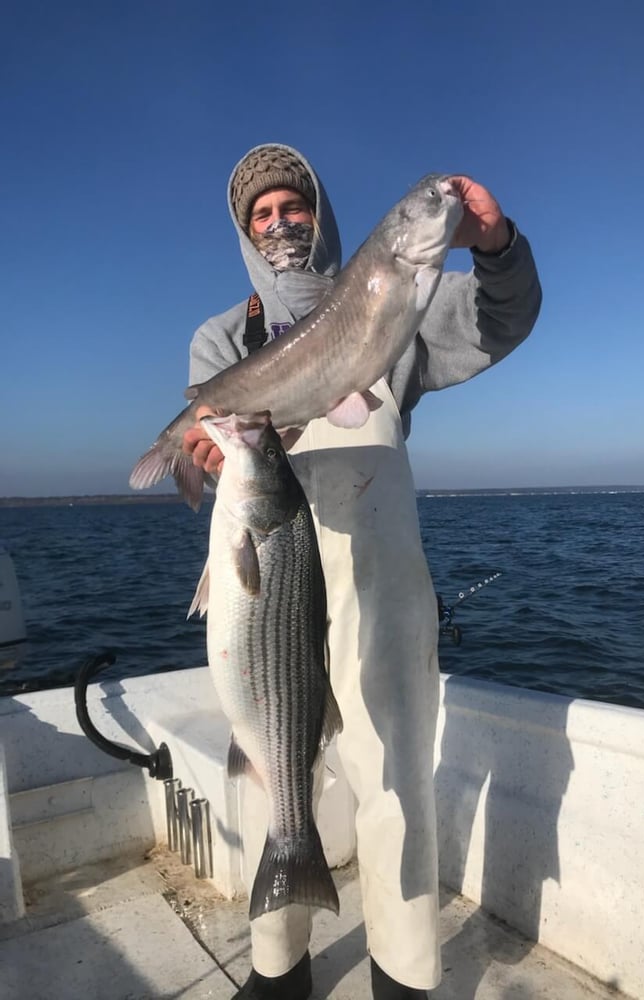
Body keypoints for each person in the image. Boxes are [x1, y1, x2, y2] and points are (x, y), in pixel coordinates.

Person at [183, 143, 542, 1000]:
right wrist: (203, 443)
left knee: (395, 779)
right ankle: (279, 968)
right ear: (244, 233)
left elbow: (506, 317)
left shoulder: (399, 301)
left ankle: (404, 974)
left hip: (382, 583)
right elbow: (215, 464)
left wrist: (496, 245)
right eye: (260, 214)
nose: (279, 223)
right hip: (275, 581)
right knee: (278, 768)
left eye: (292, 206)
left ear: (321, 213)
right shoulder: (224, 339)